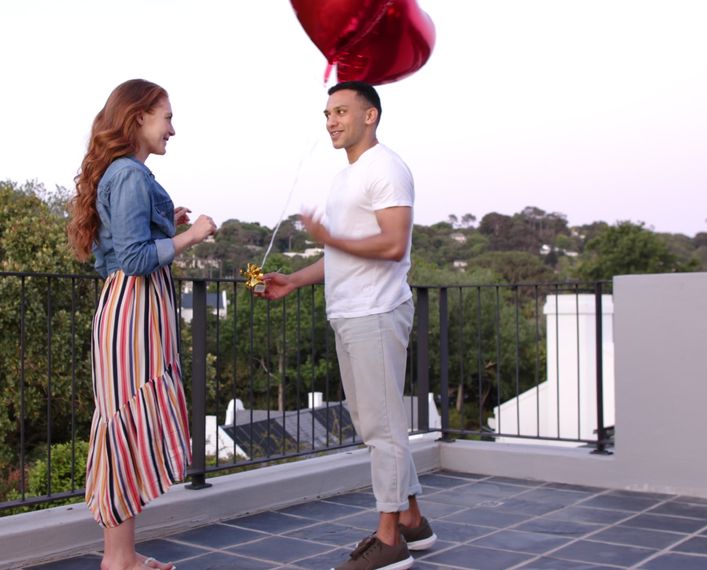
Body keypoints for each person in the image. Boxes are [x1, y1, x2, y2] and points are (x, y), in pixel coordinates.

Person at [259, 81, 436, 570]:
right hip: (350, 313)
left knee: (382, 429)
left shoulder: (387, 168)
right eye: (327, 112)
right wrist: (293, 280)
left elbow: (393, 244)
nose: (331, 120)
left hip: (377, 312)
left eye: (341, 111)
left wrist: (328, 234)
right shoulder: (346, 178)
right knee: (377, 426)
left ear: (370, 115)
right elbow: (340, 253)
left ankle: (389, 541)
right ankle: (413, 523)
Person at [67, 79, 216, 570]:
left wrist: (162, 220)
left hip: (126, 310)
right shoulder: (130, 174)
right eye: (166, 117)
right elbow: (132, 259)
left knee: (123, 427)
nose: (173, 128)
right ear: (138, 118)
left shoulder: (123, 174)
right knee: (126, 425)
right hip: (134, 311)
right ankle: (118, 559)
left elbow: (111, 252)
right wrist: (191, 236)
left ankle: (122, 556)